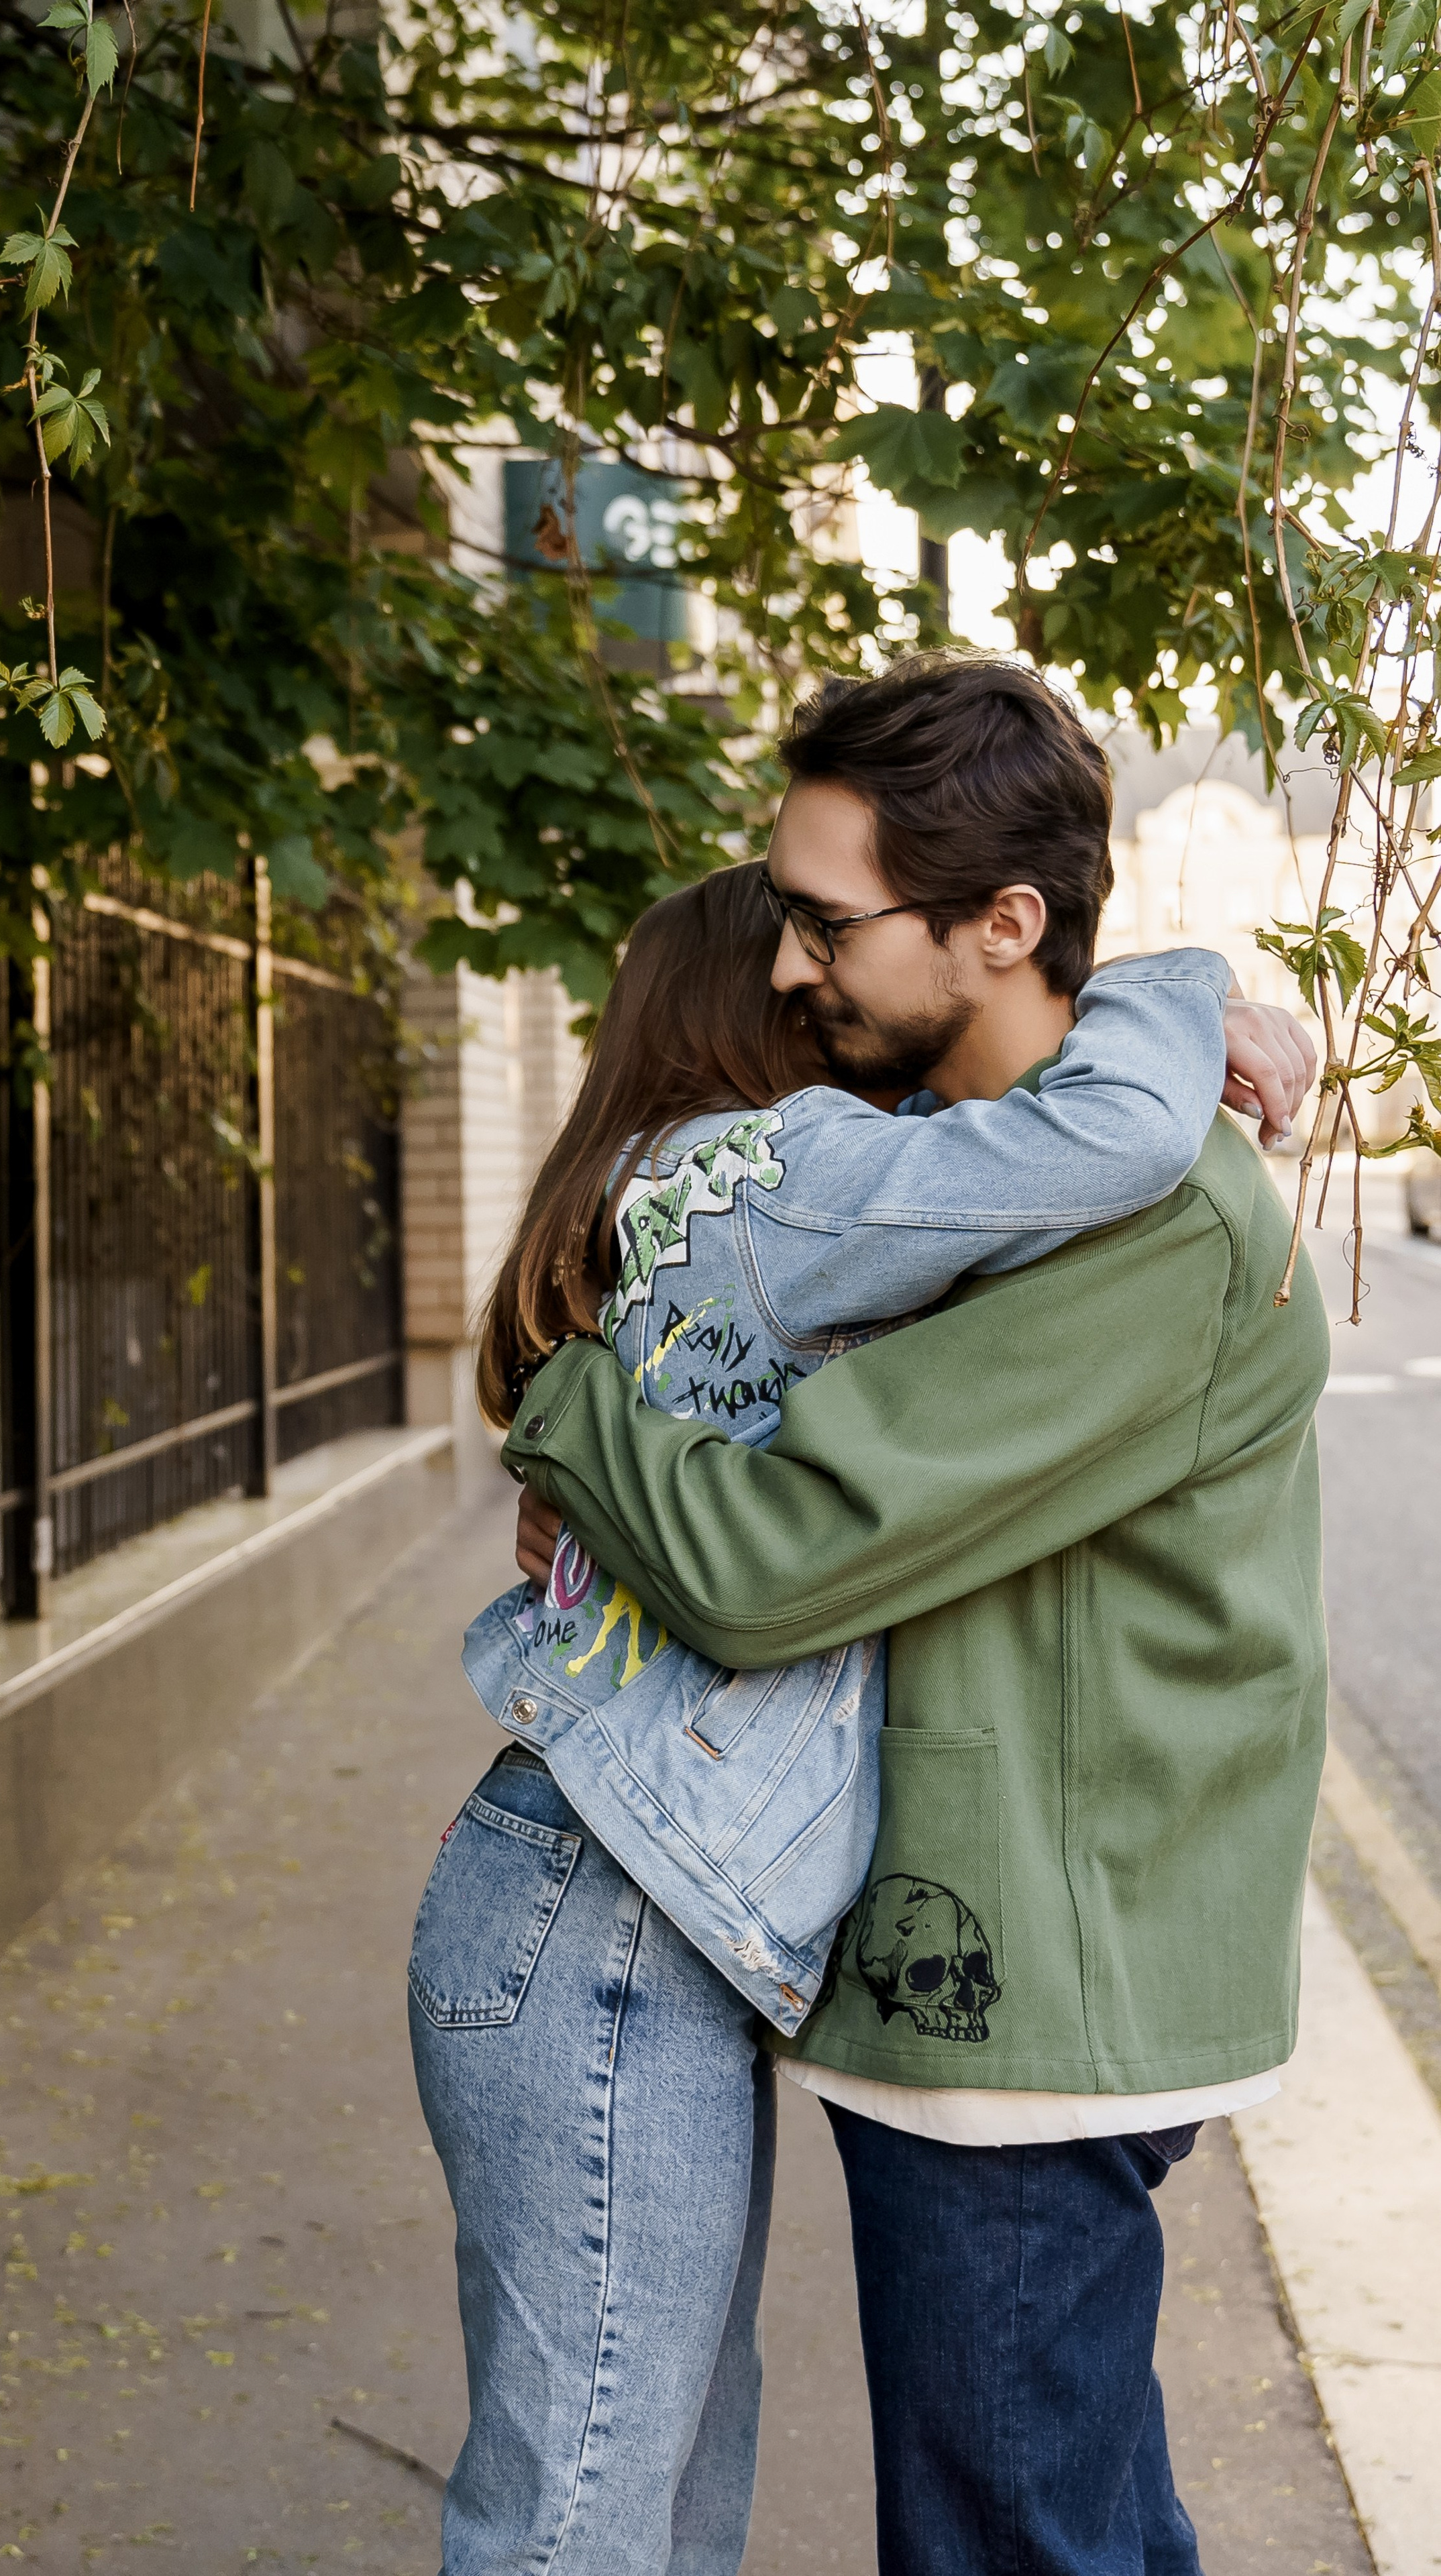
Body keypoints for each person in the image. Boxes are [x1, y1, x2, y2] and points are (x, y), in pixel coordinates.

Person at [411, 698, 1316, 2569]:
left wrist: (575, 1418)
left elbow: (770, 1559)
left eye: (829, 924)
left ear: (995, 925)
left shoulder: (1126, 1219)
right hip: (916, 1959)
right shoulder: (938, 1167)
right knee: (993, 2506)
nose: (797, 965)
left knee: (991, 2525)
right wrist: (1173, 998)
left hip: (1028, 1988)